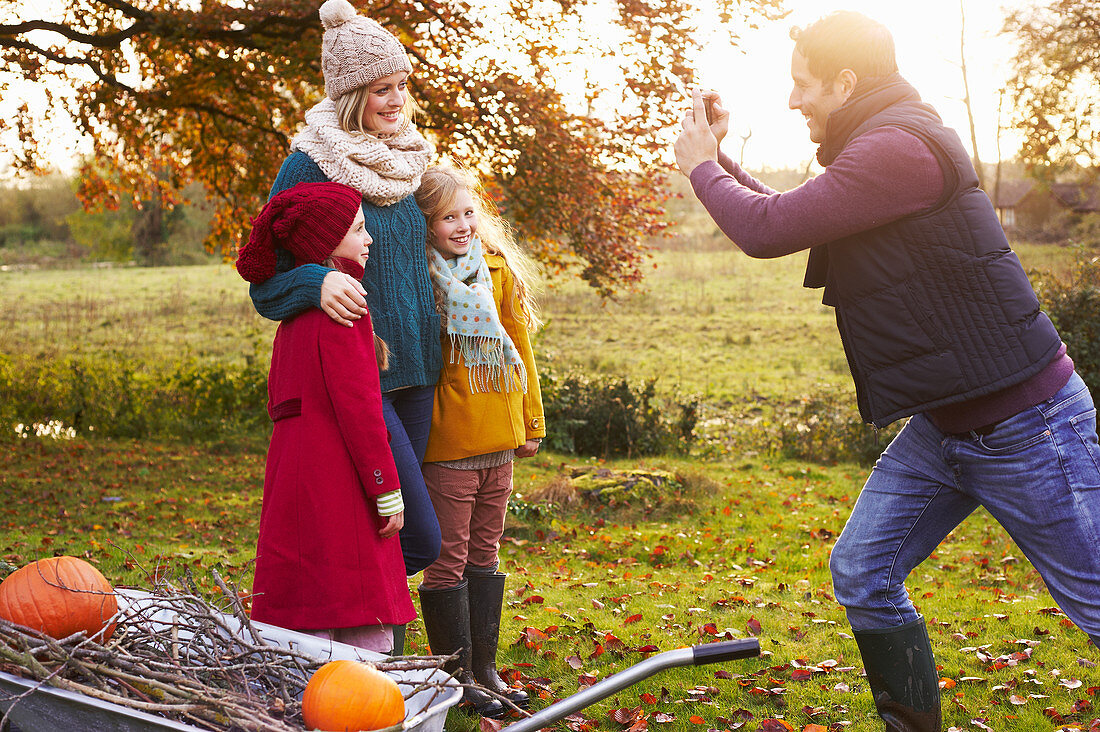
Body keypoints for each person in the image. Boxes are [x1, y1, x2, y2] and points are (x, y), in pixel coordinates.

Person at [673, 10, 1100, 732]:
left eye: (803, 85)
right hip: (950, 425)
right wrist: (720, 160)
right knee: (864, 572)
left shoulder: (899, 147)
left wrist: (700, 166)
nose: (792, 101)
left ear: (845, 81)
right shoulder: (878, 146)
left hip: (1030, 427)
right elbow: (787, 212)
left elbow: (767, 231)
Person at [247, 0, 442, 645]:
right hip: (358, 375)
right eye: (381, 89)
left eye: (401, 86)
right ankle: (343, 644)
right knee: (413, 531)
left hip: (417, 373)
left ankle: (383, 655)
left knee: (398, 530)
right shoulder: (312, 163)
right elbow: (263, 278)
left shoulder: (410, 160)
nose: (396, 101)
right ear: (352, 93)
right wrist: (317, 279)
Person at [237, 181, 415, 653]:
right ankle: (362, 691)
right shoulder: (344, 305)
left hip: (292, 474)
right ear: (326, 245)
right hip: (337, 474)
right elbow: (360, 408)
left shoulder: (296, 312)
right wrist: (385, 488)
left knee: (305, 589)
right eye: (359, 230)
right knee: (350, 590)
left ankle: (299, 680)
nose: (369, 239)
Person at [412, 165, 546, 718]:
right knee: (449, 557)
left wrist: (532, 421)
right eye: (448, 216)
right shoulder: (418, 277)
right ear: (426, 225)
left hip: (499, 435)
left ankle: (484, 669)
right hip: (449, 440)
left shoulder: (497, 270)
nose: (462, 225)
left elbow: (520, 349)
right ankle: (456, 677)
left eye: (469, 212)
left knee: (485, 554)